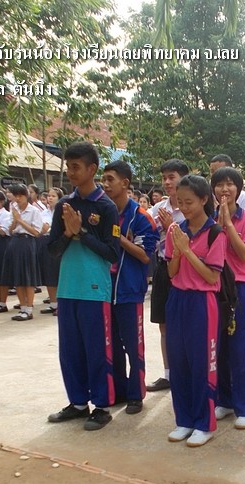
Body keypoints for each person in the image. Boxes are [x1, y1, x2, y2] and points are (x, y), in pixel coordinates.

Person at [46, 142, 121, 431]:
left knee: (97, 349)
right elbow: (52, 249)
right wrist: (68, 233)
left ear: (92, 169)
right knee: (70, 350)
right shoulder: (63, 206)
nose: (70, 172)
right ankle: (77, 403)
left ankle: (101, 406)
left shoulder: (106, 207)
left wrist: (82, 233)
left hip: (94, 289)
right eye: (68, 167)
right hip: (67, 288)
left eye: (76, 167)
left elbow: (112, 253)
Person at [165, 175, 227, 447]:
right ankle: (184, 420)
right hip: (177, 299)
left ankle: (204, 423)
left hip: (202, 303)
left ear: (203, 200)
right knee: (178, 362)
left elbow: (212, 277)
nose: (184, 207)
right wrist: (179, 252)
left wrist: (187, 251)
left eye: (189, 202)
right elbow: (171, 272)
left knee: (202, 364)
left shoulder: (216, 233)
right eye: (180, 202)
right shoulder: (175, 231)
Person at [100, 160, 159, 415]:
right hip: (104, 288)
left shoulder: (142, 217)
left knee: (133, 345)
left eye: (110, 179)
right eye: (103, 179)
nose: (105, 185)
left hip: (129, 288)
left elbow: (145, 256)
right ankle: (119, 390)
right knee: (110, 344)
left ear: (125, 183)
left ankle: (135, 394)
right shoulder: (101, 211)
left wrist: (119, 238)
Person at [211, 166, 245, 429]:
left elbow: (244, 254)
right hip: (216, 288)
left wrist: (227, 224)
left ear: (238, 189)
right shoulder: (208, 218)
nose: (224, 189)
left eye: (230, 184)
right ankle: (225, 400)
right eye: (219, 184)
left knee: (241, 349)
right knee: (218, 349)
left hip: (240, 289)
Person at [146, 159, 189, 392]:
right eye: (164, 178)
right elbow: (149, 237)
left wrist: (172, 226)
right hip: (164, 267)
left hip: (186, 269)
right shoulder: (158, 209)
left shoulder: (191, 207)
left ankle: (187, 371)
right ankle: (168, 374)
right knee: (164, 324)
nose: (167, 182)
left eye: (172, 177)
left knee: (186, 323)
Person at [3, 184, 42, 321]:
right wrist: (15, 220)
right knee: (18, 277)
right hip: (15, 241)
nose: (18, 199)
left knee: (28, 277)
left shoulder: (34, 211)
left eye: (20, 196)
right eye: (16, 196)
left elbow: (36, 232)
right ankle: (22, 307)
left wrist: (20, 220)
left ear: (26, 196)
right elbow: (10, 230)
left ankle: (29, 309)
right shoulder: (14, 209)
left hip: (27, 242)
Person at [38, 187, 64, 316]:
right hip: (45, 241)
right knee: (49, 274)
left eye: (53, 196)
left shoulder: (62, 212)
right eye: (49, 196)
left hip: (58, 243)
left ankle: (61, 305)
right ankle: (53, 304)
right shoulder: (44, 212)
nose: (50, 198)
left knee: (58, 274)